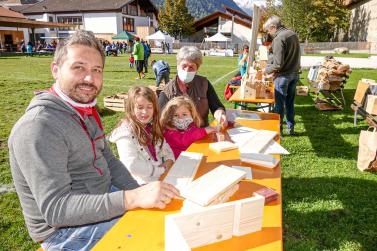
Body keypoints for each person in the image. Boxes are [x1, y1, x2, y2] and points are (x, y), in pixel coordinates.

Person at [8, 30, 179, 251]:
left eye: (96, 70)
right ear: (55, 70)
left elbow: (108, 160)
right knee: (164, 240)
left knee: (173, 217)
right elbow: (57, 211)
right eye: (79, 67)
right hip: (64, 233)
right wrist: (132, 198)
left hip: (103, 199)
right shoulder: (38, 126)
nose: (90, 78)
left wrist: (138, 192)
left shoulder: (82, 109)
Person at [109, 86, 175, 185]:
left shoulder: (152, 126)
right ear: (131, 108)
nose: (145, 111)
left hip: (161, 177)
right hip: (141, 184)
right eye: (140, 107)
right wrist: (160, 170)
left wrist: (169, 160)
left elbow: (165, 147)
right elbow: (133, 165)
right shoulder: (124, 135)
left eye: (149, 107)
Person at [158, 46, 227, 127]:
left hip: (203, 134)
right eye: (184, 66)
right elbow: (160, 120)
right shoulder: (167, 91)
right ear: (177, 66)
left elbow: (216, 106)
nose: (187, 70)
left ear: (197, 69)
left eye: (191, 67)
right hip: (179, 137)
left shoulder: (204, 84)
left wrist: (220, 113)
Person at [263, 16, 301, 135]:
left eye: (268, 31)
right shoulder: (293, 34)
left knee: (279, 106)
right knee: (290, 103)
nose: (269, 34)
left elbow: (278, 64)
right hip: (294, 74)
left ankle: (277, 130)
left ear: (273, 27)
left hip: (283, 77)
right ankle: (290, 128)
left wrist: (266, 70)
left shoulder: (279, 38)